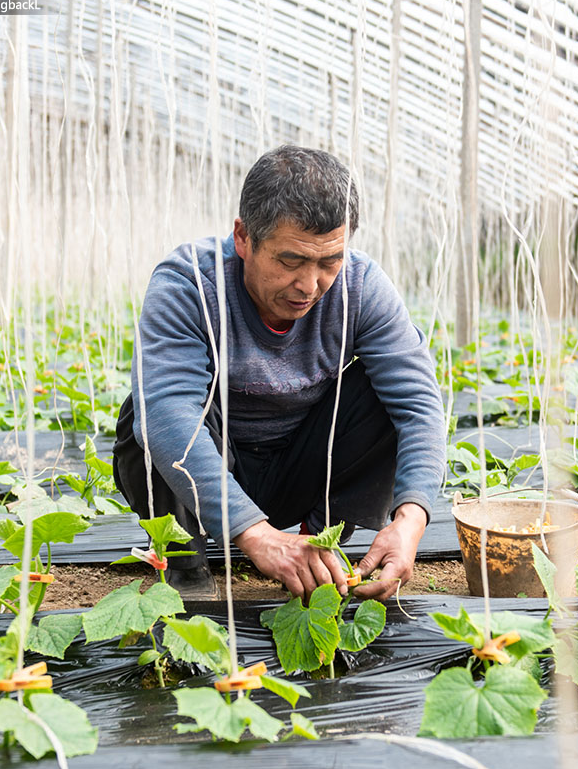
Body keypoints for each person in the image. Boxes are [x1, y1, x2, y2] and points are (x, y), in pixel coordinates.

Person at [112, 145, 445, 602]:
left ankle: (319, 542)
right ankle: (186, 564)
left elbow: (418, 404)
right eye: (290, 261)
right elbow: (169, 411)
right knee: (148, 414)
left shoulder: (362, 287)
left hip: (298, 468)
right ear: (243, 238)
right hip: (211, 467)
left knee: (384, 391)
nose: (310, 286)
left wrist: (410, 520)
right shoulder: (188, 283)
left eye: (329, 262)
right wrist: (254, 533)